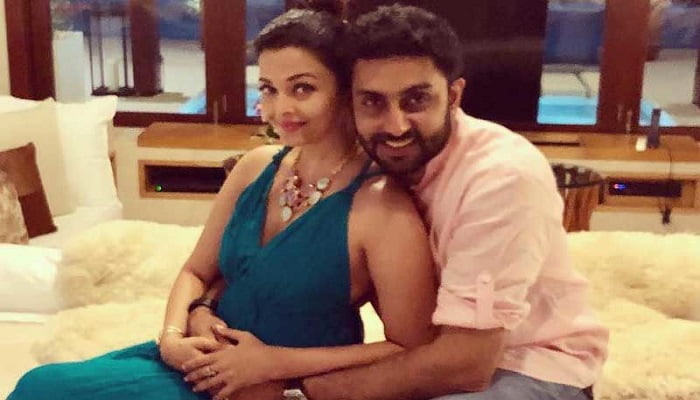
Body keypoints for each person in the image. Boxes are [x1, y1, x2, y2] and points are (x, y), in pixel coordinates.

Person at [6, 4, 437, 400]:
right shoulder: (257, 166)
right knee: (40, 384)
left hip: (276, 385)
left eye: (302, 88)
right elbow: (196, 270)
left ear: (345, 92)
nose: (279, 108)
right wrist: (174, 336)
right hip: (196, 361)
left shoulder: (381, 206)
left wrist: (275, 363)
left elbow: (410, 344)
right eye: (268, 89)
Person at [188, 4, 609, 400]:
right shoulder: (365, 165)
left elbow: (467, 365)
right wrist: (204, 307)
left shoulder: (499, 179)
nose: (395, 126)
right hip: (439, 353)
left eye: (416, 100)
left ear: (454, 96)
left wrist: (296, 389)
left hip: (528, 363)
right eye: (372, 101)